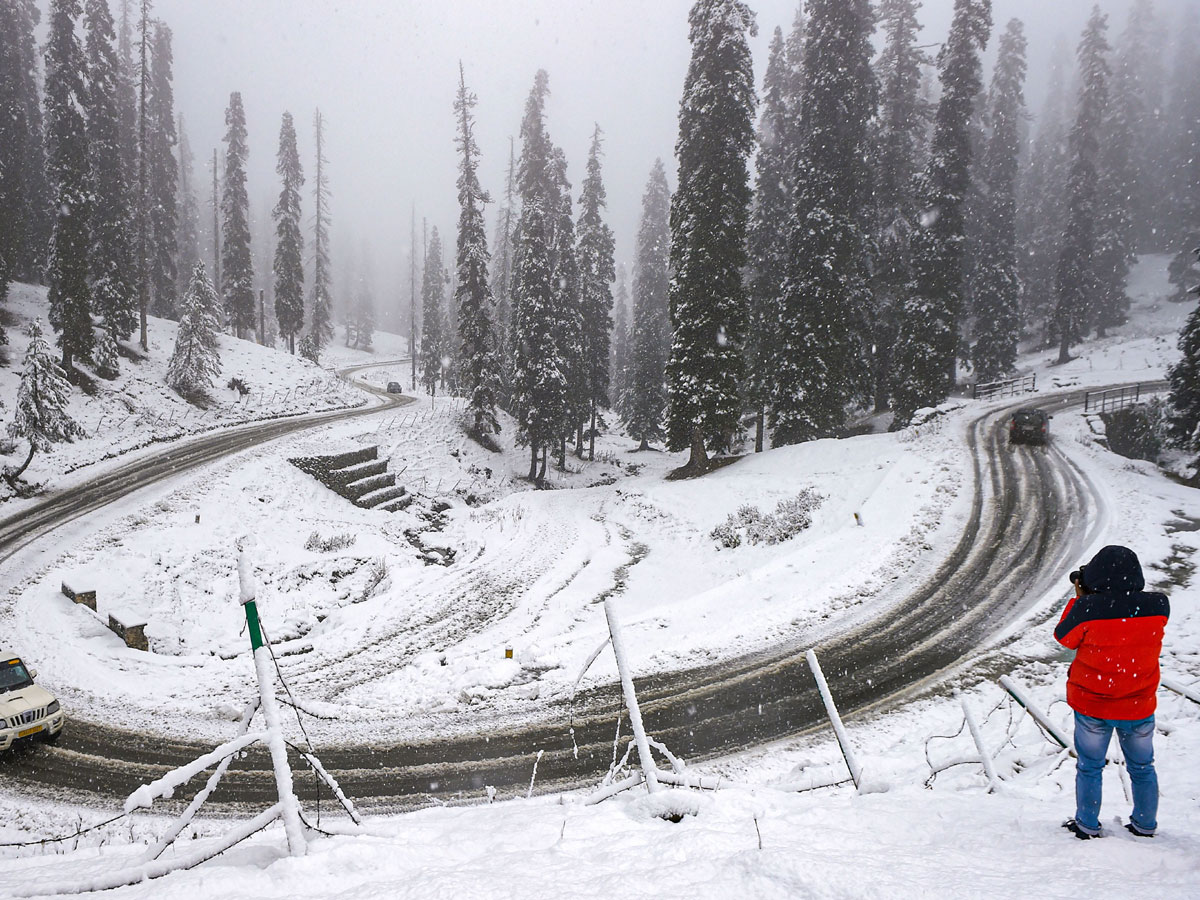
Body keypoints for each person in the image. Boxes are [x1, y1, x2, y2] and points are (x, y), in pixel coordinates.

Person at [1054, 545, 1169, 839]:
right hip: (1138, 704)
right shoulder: (1158, 606)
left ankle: (1087, 824)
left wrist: (1079, 599)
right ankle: (1145, 824)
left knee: (1090, 767)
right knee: (1142, 767)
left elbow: (1064, 638)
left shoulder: (1087, 610)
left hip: (1094, 704)